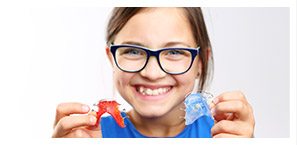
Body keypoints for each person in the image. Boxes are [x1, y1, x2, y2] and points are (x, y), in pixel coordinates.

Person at [52, 7, 255, 138]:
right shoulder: (89, 136)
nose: (152, 72)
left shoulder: (223, 134)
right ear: (111, 58)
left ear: (200, 62)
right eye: (133, 51)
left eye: (175, 51)